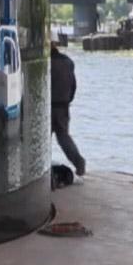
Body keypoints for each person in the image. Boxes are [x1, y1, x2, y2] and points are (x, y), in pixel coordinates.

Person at [51, 36, 86, 176]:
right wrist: (67, 100)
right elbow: (73, 86)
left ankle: (39, 169)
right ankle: (79, 163)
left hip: (48, 107)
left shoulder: (46, 63)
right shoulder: (67, 62)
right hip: (63, 107)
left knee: (40, 141)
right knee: (64, 138)